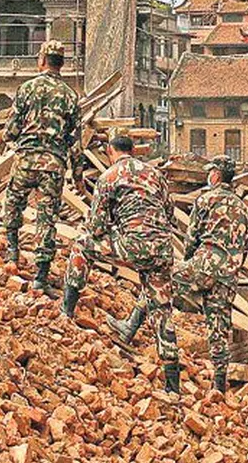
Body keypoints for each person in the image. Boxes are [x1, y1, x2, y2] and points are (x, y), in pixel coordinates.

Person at [62, 134, 181, 392]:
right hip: (162, 250)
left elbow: (95, 227)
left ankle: (66, 311)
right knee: (162, 312)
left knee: (82, 245)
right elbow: (170, 215)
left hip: (132, 245)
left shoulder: (109, 177)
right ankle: (173, 386)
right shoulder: (155, 176)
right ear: (134, 150)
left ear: (109, 151)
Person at [0, 39, 82, 290]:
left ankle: (12, 255)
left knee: (12, 205)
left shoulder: (26, 89)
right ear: (62, 64)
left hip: (25, 159)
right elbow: (74, 141)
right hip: (54, 165)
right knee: (47, 218)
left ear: (42, 60)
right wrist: (78, 175)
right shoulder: (70, 95)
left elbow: (11, 130)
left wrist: (7, 137)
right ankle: (40, 277)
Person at [172, 155, 248, 394]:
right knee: (218, 328)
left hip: (204, 264)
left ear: (215, 175)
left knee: (160, 280)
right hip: (228, 274)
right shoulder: (242, 206)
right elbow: (244, 246)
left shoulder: (205, 199)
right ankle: (219, 385)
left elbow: (192, 238)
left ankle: (131, 325)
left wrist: (189, 264)